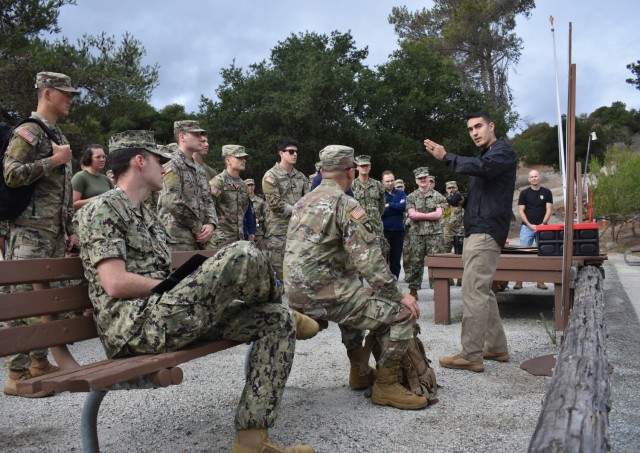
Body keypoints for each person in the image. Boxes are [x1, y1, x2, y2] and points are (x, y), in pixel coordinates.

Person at [74, 130, 317, 453]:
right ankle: (280, 302)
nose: (164, 167)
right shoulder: (102, 210)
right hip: (134, 327)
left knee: (276, 320)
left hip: (166, 315)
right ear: (139, 160)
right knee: (242, 252)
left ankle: (251, 440)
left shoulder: (148, 214)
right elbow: (114, 283)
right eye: (160, 161)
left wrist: (183, 283)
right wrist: (174, 286)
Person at [284, 144, 429, 410]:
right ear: (350, 171)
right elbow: (369, 262)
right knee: (402, 314)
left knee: (353, 296)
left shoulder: (303, 202)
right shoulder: (345, 204)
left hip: (296, 297)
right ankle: (386, 386)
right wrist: (400, 295)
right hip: (328, 296)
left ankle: (359, 372)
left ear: (323, 171)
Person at [2, 71, 80, 397]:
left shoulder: (55, 132)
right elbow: (10, 173)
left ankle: (38, 364)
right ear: (47, 93)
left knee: (46, 300)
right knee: (24, 303)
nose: (71, 99)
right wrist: (53, 160)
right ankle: (16, 376)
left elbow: (61, 195)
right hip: (30, 235)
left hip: (51, 235)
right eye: (66, 93)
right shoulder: (29, 131)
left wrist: (71, 229)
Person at [424, 111, 516, 372]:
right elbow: (485, 190)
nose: (475, 132)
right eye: (470, 129)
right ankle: (496, 348)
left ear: (491, 126)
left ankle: (471, 354)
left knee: (472, 291)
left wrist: (445, 157)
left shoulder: (501, 152)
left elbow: (484, 169)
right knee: (482, 291)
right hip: (478, 230)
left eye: (479, 126)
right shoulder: (486, 158)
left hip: (485, 232)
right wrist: (462, 201)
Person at [157, 120, 217, 251]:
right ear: (182, 136)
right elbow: (171, 201)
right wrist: (197, 227)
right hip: (177, 238)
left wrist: (211, 224)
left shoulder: (199, 169)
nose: (201, 138)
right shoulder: (171, 164)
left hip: (201, 239)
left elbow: (208, 200)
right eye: (196, 135)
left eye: (202, 134)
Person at [262, 138, 308, 283]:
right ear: (281, 153)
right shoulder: (271, 175)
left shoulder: (300, 176)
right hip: (278, 231)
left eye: (296, 152)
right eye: (291, 152)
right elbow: (275, 203)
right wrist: (296, 211)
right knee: (278, 268)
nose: (295, 154)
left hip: (298, 229)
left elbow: (307, 200)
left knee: (298, 264)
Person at [404, 167, 446, 298]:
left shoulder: (438, 196)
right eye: (420, 178)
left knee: (436, 263)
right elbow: (412, 215)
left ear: (429, 179)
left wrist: (419, 214)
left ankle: (437, 290)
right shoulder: (411, 197)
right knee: (415, 262)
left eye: (425, 177)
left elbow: (439, 215)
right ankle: (413, 290)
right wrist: (430, 214)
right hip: (416, 234)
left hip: (435, 234)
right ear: (416, 180)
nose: (422, 180)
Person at [513, 169, 553, 290]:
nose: (534, 178)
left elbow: (549, 210)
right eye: (532, 177)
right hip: (527, 228)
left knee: (541, 254)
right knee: (523, 254)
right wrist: (530, 225)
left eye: (536, 176)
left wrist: (543, 224)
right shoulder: (524, 193)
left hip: (543, 228)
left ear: (539, 178)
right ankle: (518, 281)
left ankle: (540, 281)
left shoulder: (547, 192)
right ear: (529, 179)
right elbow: (521, 211)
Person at [209, 145, 254, 249]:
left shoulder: (243, 186)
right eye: (239, 158)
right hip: (220, 241)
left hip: (239, 240)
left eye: (244, 158)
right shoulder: (218, 182)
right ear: (228, 160)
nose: (243, 161)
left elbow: (244, 210)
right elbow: (207, 208)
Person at [352, 155, 387, 257]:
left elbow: (381, 206)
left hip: (376, 227)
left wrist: (374, 216)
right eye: (362, 165)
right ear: (357, 167)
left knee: (378, 256)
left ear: (370, 167)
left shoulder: (378, 185)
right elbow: (348, 207)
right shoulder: (351, 185)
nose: (364, 168)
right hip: (358, 227)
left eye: (366, 165)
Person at [71, 144, 113, 210]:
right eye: (98, 157)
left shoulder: (106, 179)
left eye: (104, 157)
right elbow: (73, 204)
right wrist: (96, 199)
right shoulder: (79, 177)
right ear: (88, 159)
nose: (102, 159)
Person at [381, 170, 406, 279]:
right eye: (387, 181)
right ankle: (384, 282)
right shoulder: (380, 194)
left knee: (396, 259)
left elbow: (404, 207)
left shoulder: (400, 193)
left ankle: (395, 280)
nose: (390, 183)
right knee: (383, 259)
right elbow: (381, 212)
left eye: (392, 180)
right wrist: (396, 206)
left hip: (398, 231)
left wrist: (389, 205)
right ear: (382, 182)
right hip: (384, 231)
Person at [442, 180, 465, 286]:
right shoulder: (443, 200)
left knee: (462, 254)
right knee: (446, 254)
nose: (452, 190)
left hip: (460, 230)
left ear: (457, 188)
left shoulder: (461, 200)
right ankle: (448, 277)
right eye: (449, 188)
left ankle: (461, 277)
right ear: (446, 189)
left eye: (453, 187)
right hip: (446, 230)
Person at [244, 178, 267, 250]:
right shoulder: (242, 201)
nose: (250, 187)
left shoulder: (260, 201)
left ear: (254, 186)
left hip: (258, 232)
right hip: (245, 232)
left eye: (252, 185)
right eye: (248, 185)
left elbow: (266, 215)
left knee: (261, 253)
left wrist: (259, 219)